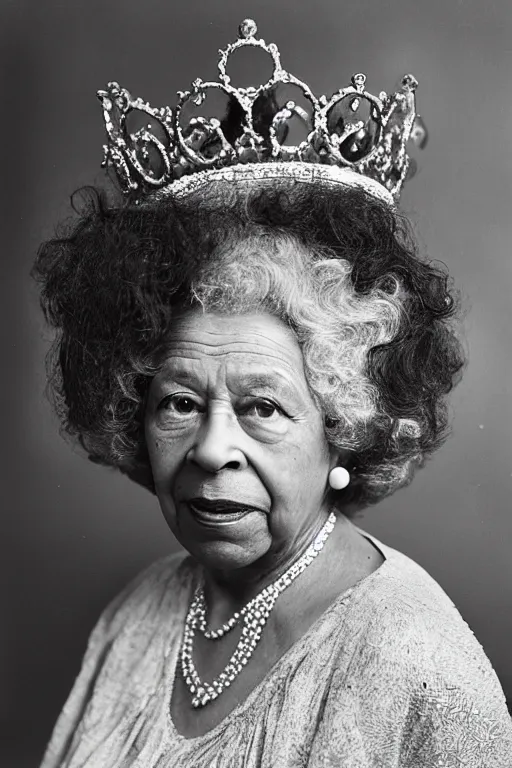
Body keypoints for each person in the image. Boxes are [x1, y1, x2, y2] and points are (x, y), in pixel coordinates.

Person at [33, 19, 512, 768]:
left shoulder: (418, 666)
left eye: (263, 406)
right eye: (180, 403)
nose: (212, 450)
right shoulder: (136, 614)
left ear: (343, 427)